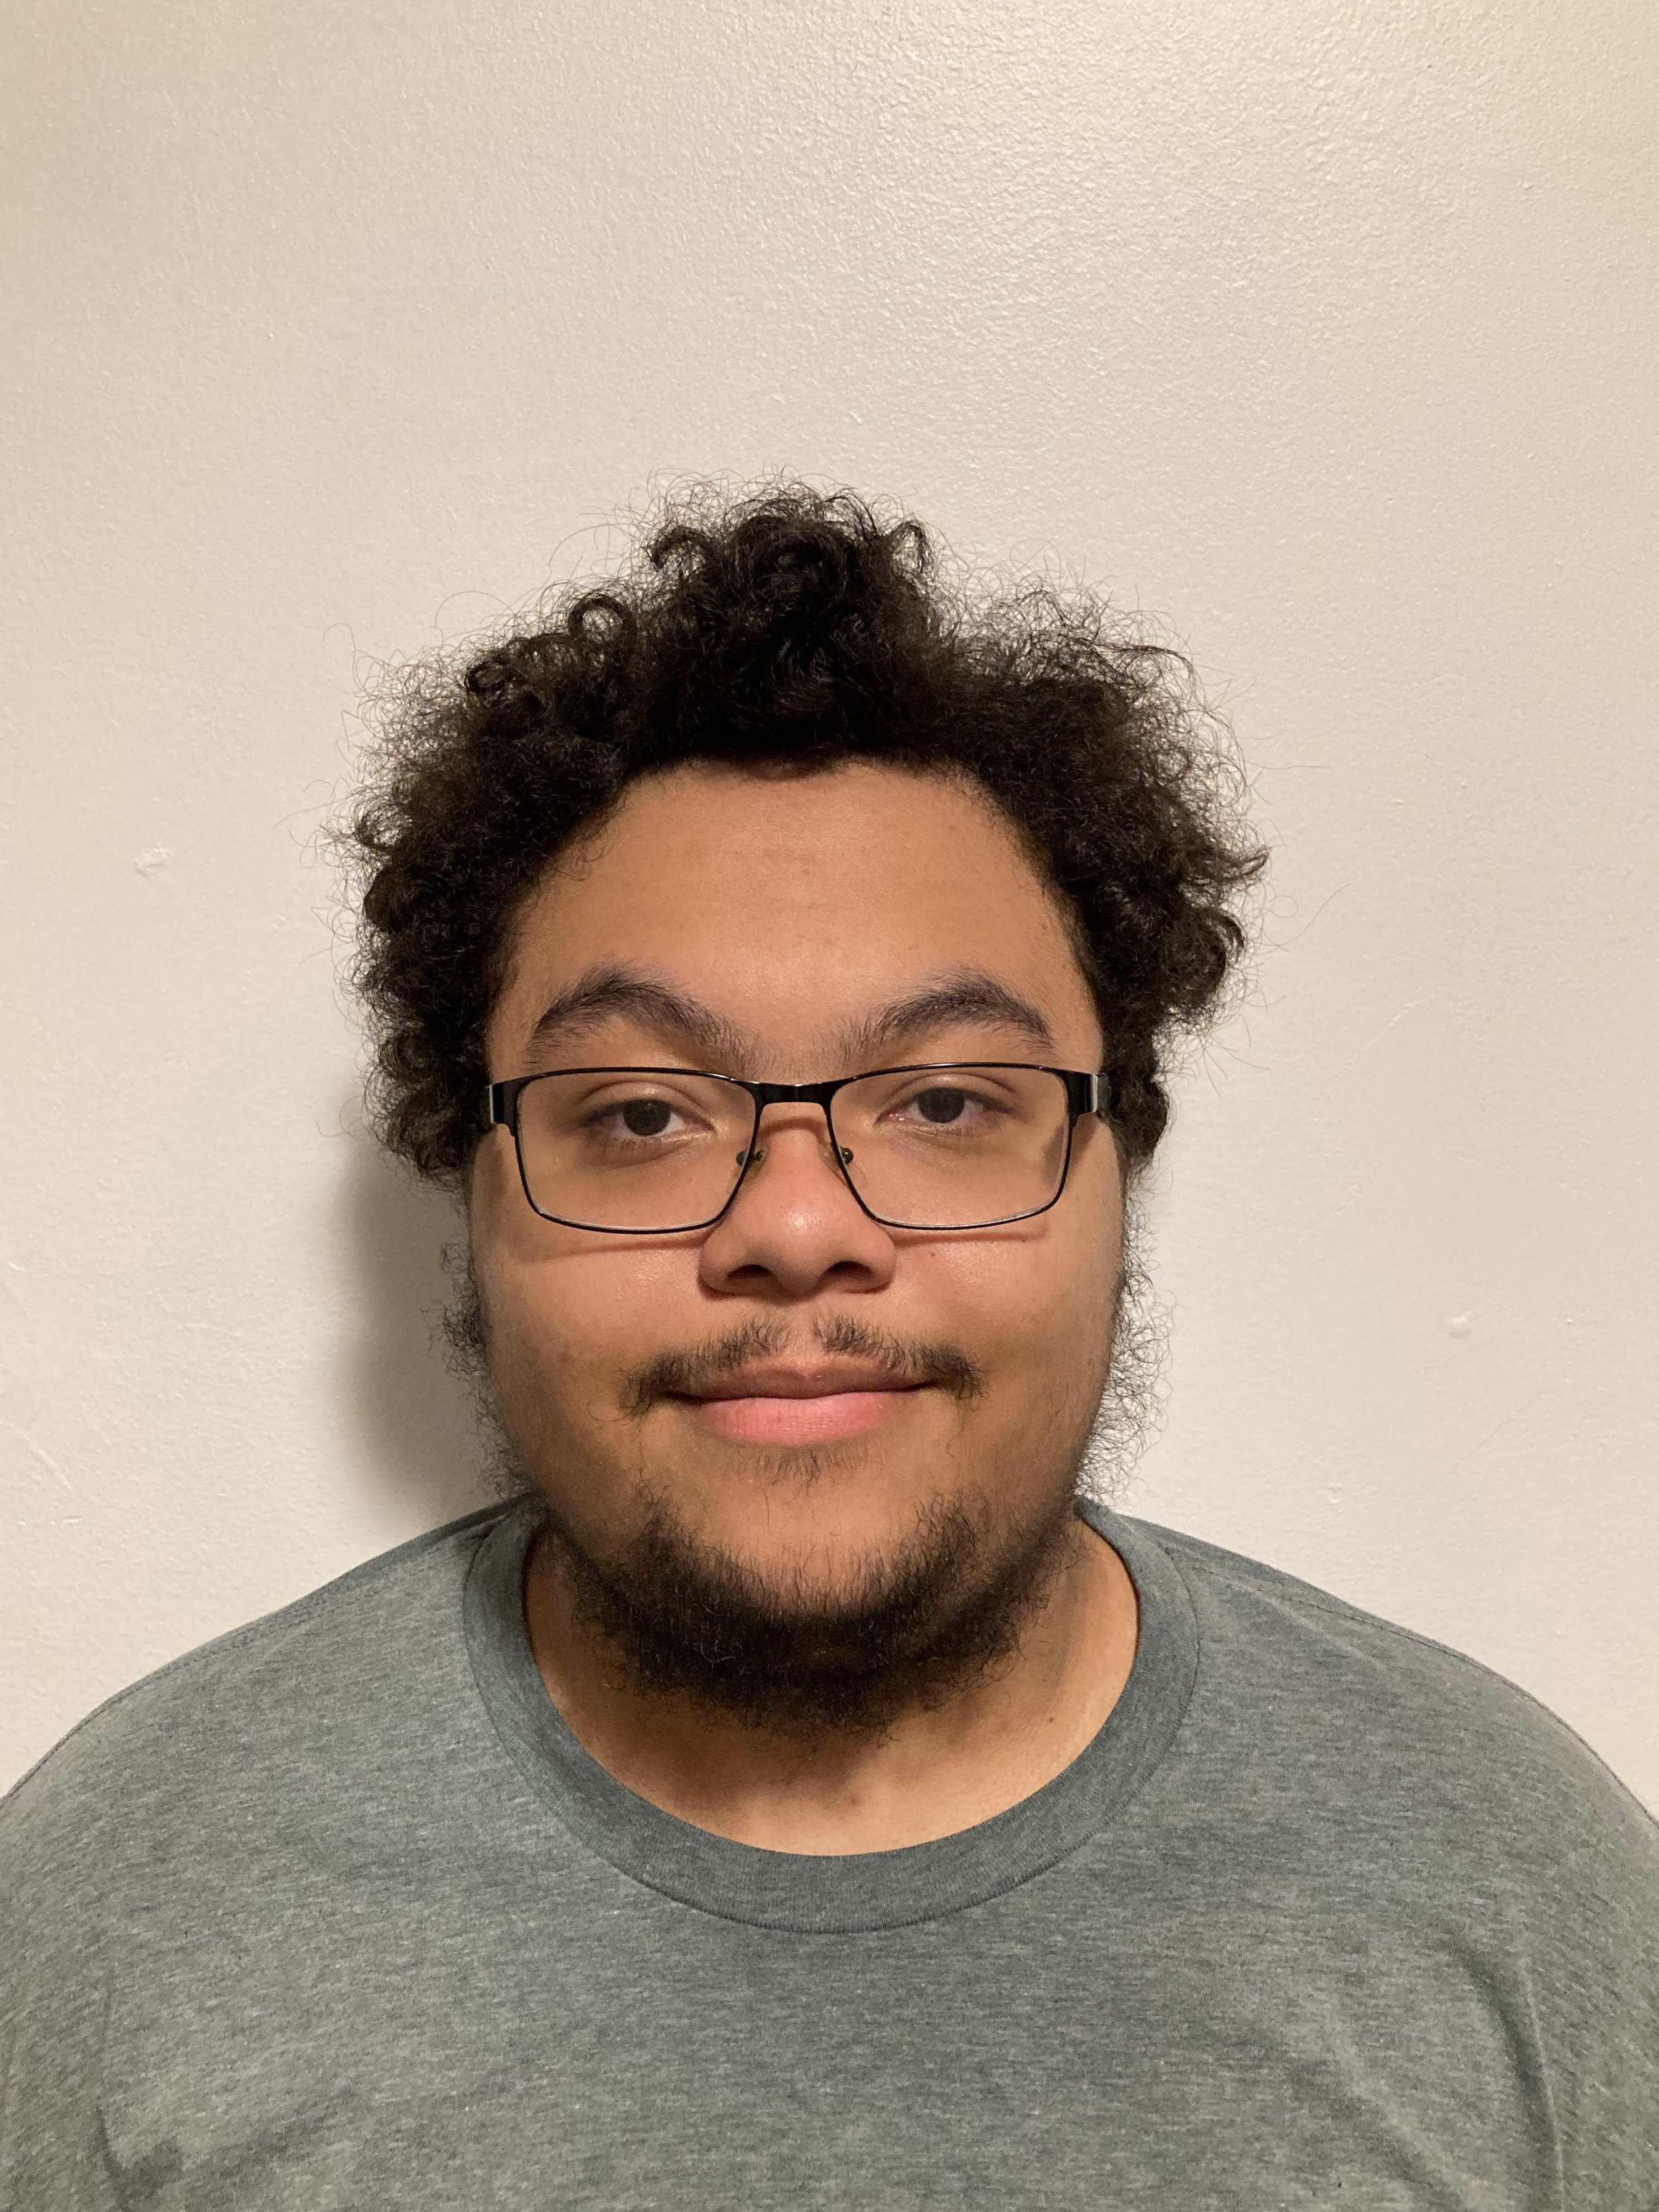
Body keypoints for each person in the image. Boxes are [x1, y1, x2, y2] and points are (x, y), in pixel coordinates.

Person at [1, 485, 1654, 2208]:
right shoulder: (119, 1913)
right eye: (640, 1113)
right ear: (474, 1192)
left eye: (944, 1102)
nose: (795, 1228)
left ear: (1115, 1173)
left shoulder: (1518, 1897)